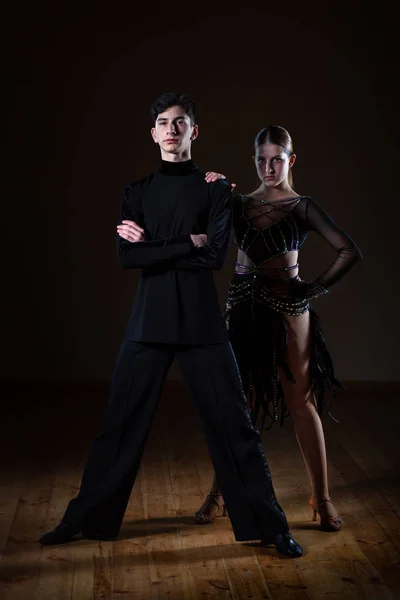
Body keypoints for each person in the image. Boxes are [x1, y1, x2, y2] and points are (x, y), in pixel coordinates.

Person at [39, 94, 302, 558]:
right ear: (154, 133)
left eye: (181, 122)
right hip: (149, 322)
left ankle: (270, 525)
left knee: (234, 425)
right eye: (163, 122)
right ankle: (82, 519)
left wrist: (158, 245)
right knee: (117, 428)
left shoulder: (216, 188)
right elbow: (127, 256)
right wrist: (186, 239)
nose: (172, 129)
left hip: (201, 324)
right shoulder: (136, 192)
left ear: (193, 132)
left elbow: (213, 256)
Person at [196, 125, 362, 531]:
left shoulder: (301, 206)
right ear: (253, 160)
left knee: (301, 401)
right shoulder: (236, 203)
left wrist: (313, 286)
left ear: (291, 159)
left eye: (276, 159)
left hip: (288, 306)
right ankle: (220, 494)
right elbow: (201, 233)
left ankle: (321, 499)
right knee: (241, 405)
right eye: (261, 159)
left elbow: (348, 250)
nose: (268, 167)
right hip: (242, 308)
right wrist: (213, 192)